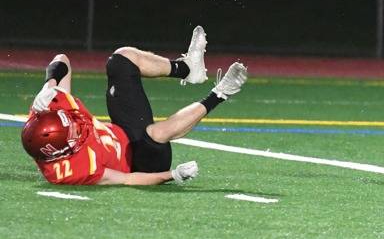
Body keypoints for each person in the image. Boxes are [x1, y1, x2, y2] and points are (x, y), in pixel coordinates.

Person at [21, 26, 248, 185]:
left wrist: (49, 85)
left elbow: (62, 60)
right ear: (61, 152)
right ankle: (220, 93)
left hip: (122, 131)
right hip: (140, 162)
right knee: (155, 133)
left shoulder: (46, 111)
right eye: (71, 132)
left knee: (121, 59)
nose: (75, 125)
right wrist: (171, 175)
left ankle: (188, 68)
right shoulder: (70, 171)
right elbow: (128, 179)